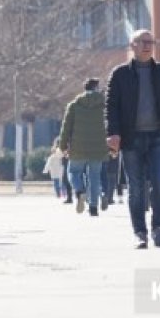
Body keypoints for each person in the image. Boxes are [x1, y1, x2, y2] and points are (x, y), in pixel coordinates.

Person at [105, 30, 160, 249]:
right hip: (131, 139)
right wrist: (113, 133)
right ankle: (140, 232)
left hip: (158, 136)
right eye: (143, 42)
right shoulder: (119, 74)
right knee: (136, 188)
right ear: (132, 45)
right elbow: (111, 107)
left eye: (151, 42)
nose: (148, 45)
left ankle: (159, 227)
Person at [58, 77, 109, 216]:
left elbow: (66, 128)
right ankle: (93, 207)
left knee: (73, 172)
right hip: (98, 147)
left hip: (77, 147)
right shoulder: (105, 105)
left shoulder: (74, 105)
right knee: (94, 177)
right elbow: (110, 126)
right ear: (97, 88)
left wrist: (62, 146)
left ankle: (80, 191)